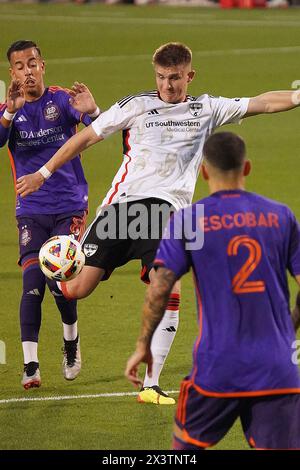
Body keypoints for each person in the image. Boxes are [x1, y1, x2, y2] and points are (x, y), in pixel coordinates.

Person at [16, 42, 300, 404]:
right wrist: (43, 172)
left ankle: (151, 384)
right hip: (119, 209)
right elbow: (84, 138)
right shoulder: (135, 105)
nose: (168, 86)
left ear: (189, 76)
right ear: (156, 76)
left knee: (166, 285)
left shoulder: (206, 107)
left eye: (176, 78)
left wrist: (296, 95)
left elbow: (261, 102)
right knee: (74, 288)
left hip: (166, 210)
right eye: (162, 78)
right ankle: (70, 330)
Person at [125, 132, 300, 449]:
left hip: (218, 367)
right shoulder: (281, 216)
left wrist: (144, 344)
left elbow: (160, 288)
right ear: (246, 168)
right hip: (277, 367)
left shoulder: (188, 220)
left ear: (204, 171)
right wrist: (290, 328)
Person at [0, 40, 101, 389]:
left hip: (70, 205)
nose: (27, 71)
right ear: (11, 73)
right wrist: (10, 111)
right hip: (30, 210)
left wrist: (95, 110)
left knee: (59, 283)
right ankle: (30, 365)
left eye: (32, 63)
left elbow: (97, 130)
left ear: (43, 65)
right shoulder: (9, 110)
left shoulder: (61, 100)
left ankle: (70, 341)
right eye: (19, 66)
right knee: (31, 285)